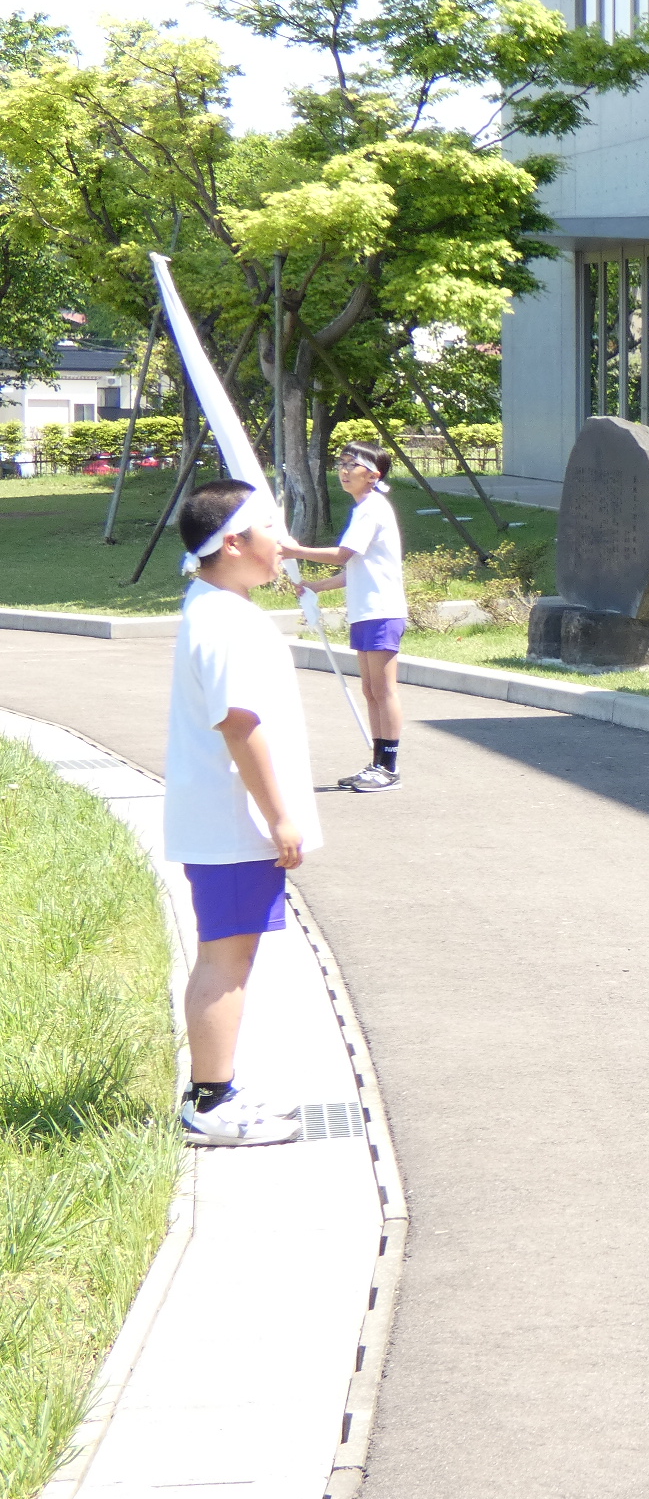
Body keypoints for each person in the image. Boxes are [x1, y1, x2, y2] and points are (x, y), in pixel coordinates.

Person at [168, 479, 317, 1146]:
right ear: (233, 543)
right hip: (232, 823)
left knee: (231, 955)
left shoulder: (219, 607)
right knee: (225, 960)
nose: (285, 543)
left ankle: (219, 1086)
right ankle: (209, 1102)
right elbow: (238, 723)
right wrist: (280, 816)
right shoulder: (223, 621)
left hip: (226, 820)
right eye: (272, 530)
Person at [284, 442, 406, 791]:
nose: (344, 470)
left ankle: (389, 768)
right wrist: (315, 586)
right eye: (342, 463)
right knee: (370, 689)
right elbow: (355, 568)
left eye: (352, 464)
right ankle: (377, 764)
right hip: (366, 613)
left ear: (374, 475)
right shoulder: (364, 509)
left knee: (383, 689)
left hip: (382, 611)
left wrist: (296, 550)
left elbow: (342, 554)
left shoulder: (372, 508)